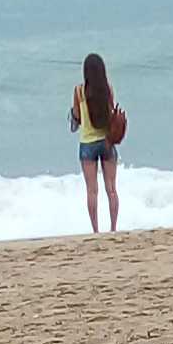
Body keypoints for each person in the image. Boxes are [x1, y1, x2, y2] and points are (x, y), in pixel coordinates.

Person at [70, 54, 126, 232]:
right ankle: (113, 228)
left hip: (87, 144)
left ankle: (95, 230)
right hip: (107, 142)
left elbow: (77, 118)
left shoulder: (79, 91)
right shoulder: (108, 89)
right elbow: (111, 112)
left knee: (92, 191)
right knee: (111, 189)